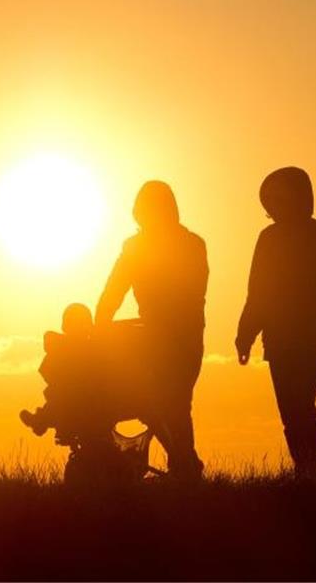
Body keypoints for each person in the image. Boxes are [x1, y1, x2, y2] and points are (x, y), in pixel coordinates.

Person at [236, 167, 316, 478]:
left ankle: (313, 464)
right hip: (279, 339)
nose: (274, 208)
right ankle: (305, 468)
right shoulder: (269, 238)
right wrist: (245, 335)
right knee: (291, 408)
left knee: (300, 400)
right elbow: (258, 291)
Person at [96, 181, 208, 479]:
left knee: (173, 402)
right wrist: (100, 320)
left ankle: (186, 466)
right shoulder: (140, 247)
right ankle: (185, 466)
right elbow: (115, 287)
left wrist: (103, 320)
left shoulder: (190, 245)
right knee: (166, 402)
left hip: (181, 335)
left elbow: (194, 293)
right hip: (162, 335)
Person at [19, 303, 99, 437]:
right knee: (60, 395)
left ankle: (41, 421)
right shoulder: (68, 349)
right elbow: (47, 370)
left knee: (62, 396)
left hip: (80, 397)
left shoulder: (87, 349)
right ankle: (41, 420)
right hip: (71, 395)